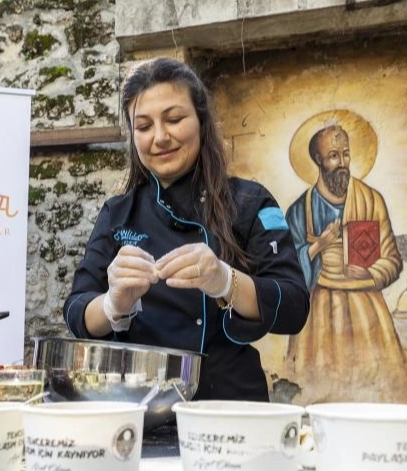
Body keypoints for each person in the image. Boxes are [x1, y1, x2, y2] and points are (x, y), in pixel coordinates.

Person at [64, 58, 309, 401]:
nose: (160, 137)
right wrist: (111, 304)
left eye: (174, 119)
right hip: (140, 403)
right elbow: (76, 311)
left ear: (201, 120)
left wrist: (225, 281)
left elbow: (294, 306)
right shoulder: (118, 213)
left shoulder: (251, 202)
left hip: (228, 403)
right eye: (144, 126)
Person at [284, 121, 407, 401]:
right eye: (333, 156)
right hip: (318, 315)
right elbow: (287, 272)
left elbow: (393, 259)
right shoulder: (300, 211)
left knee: (378, 392)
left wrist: (370, 273)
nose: (342, 163)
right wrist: (317, 246)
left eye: (346, 154)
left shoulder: (371, 201)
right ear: (318, 160)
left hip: (367, 311)